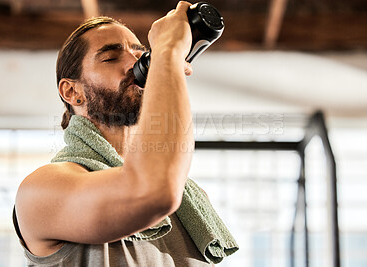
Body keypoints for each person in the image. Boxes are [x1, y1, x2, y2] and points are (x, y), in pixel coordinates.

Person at [13, 1, 236, 266]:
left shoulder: (190, 200)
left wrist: (168, 61)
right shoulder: (41, 189)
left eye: (140, 54)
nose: (135, 64)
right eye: (110, 57)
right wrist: (168, 53)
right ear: (72, 92)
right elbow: (153, 190)